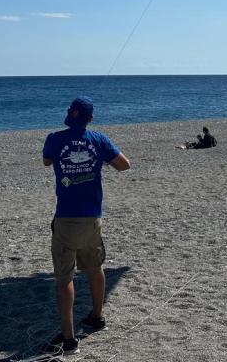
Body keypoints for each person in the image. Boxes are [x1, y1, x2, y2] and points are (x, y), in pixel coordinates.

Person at [42, 96, 130, 355]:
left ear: (71, 113)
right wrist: (99, 157)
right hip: (92, 217)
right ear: (89, 119)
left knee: (64, 277)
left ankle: (69, 339)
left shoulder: (54, 139)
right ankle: (97, 315)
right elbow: (124, 165)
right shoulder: (99, 139)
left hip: (67, 217)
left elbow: (47, 161)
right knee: (95, 267)